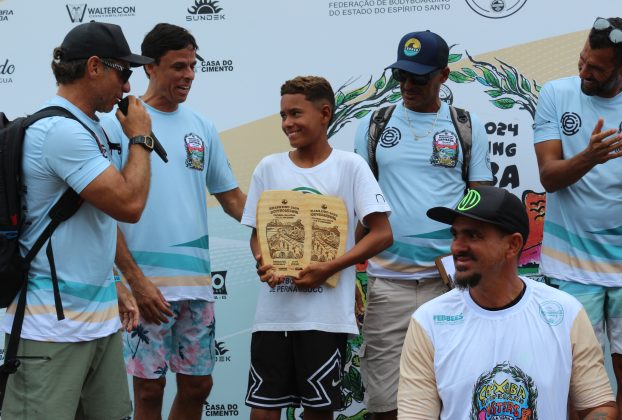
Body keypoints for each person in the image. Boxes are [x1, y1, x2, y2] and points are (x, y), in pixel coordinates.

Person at [0, 21, 154, 419]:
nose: (127, 87)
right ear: (94, 67)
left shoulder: (90, 128)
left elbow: (96, 220)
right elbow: (129, 204)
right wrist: (141, 138)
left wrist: (115, 282)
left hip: (98, 321)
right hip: (51, 329)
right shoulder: (59, 132)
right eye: (124, 71)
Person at [100, 23, 246, 420]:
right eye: (178, 66)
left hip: (197, 286)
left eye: (193, 66)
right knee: (149, 392)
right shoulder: (119, 124)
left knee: (199, 386)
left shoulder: (202, 127)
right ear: (149, 67)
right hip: (144, 286)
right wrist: (129, 280)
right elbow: (103, 210)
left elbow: (231, 198)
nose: (189, 75)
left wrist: (279, 223)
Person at [353, 30, 492, 419]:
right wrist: (344, 273)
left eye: (419, 78)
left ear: (443, 76)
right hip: (387, 284)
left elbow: (480, 202)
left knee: (454, 394)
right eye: (401, 76)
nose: (408, 86)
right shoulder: (374, 124)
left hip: (449, 286)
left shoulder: (466, 124)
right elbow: (357, 208)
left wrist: (472, 269)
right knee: (383, 401)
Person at [241, 76, 392, 420]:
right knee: (263, 409)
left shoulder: (350, 167)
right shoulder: (268, 167)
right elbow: (255, 234)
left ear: (324, 114)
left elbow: (382, 233)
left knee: (318, 411)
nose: (287, 124)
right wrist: (263, 261)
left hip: (325, 319)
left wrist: (330, 267)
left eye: (295, 113)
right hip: (273, 316)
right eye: (282, 115)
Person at [398, 185, 617, 419]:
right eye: (455, 235)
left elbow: (598, 406)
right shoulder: (429, 321)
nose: (456, 247)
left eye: (473, 235)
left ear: (512, 245)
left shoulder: (565, 312)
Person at [533, 16, 622, 414]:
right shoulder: (556, 93)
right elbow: (549, 177)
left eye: (596, 69)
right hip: (570, 266)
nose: (584, 72)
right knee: (577, 379)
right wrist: (590, 156)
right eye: (582, 60)